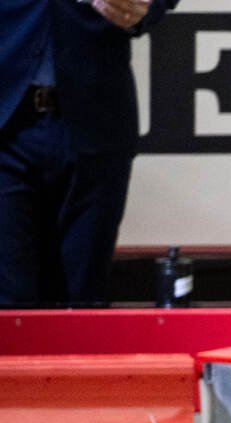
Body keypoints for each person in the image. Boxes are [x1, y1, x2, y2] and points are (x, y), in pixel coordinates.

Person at [0, 0, 176, 306]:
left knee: (83, 300)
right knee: (9, 302)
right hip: (6, 122)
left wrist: (151, 5)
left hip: (97, 116)